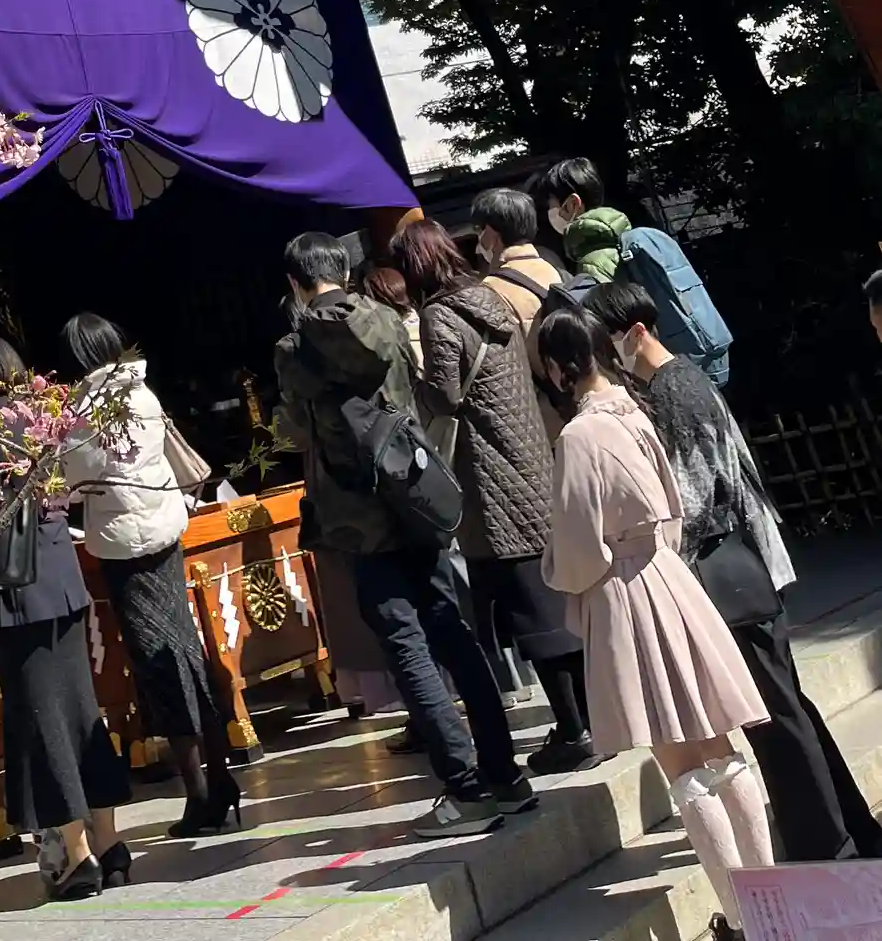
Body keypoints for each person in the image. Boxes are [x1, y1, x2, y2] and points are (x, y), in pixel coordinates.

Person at [589, 277, 882, 864]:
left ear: (635, 333)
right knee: (786, 711)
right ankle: (845, 834)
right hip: (742, 569)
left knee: (775, 716)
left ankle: (829, 846)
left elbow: (697, 500)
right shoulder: (683, 380)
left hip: (726, 573)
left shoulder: (674, 391)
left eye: (606, 342)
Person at [273, 230, 531, 837]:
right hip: (415, 497)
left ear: (295, 282)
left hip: (359, 519)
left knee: (406, 646)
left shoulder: (295, 347)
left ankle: (464, 788)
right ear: (344, 269)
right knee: (453, 631)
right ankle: (505, 776)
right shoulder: (387, 321)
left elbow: (298, 431)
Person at [538, 306, 772, 941]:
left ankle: (742, 919)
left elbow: (578, 546)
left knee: (683, 763)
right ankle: (771, 899)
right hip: (670, 577)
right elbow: (671, 507)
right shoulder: (633, 412)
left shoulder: (579, 436)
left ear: (559, 368)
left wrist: (561, 569)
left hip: (626, 591)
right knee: (723, 749)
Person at [391, 220, 595, 775]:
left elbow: (444, 395)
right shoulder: (489, 296)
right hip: (531, 463)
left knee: (529, 612)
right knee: (552, 599)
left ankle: (574, 731)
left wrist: (410, 378)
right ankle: (588, 719)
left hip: (490, 477)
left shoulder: (439, 315)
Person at [0, 332, 133, 898]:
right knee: (80, 713)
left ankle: (78, 855)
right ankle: (109, 842)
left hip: (15, 592)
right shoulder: (45, 423)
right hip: (61, 580)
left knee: (42, 721)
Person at [57, 313, 242, 837]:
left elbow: (74, 481)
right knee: (185, 648)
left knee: (158, 665)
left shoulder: (85, 410)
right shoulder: (141, 392)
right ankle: (220, 776)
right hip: (165, 530)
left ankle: (200, 792)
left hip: (124, 548)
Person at [533, 159, 732, 385]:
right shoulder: (632, 238)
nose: (549, 214)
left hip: (661, 374)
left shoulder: (594, 259)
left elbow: (609, 335)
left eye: (551, 206)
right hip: (697, 358)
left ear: (572, 204)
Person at [472, 187, 564, 388]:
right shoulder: (551, 263)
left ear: (491, 232)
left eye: (479, 230)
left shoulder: (490, 288)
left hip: (544, 394)